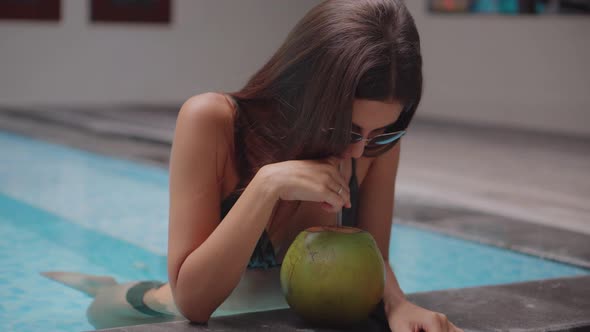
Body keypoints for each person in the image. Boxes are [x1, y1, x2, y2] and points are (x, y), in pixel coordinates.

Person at [42, 0, 464, 331]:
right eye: (347, 130)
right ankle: (99, 285)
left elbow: (373, 264)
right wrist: (265, 188)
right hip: (152, 316)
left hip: (275, 314)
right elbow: (193, 304)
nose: (359, 152)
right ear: (306, 94)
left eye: (382, 133)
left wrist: (399, 303)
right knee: (109, 299)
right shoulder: (214, 122)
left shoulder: (376, 146)